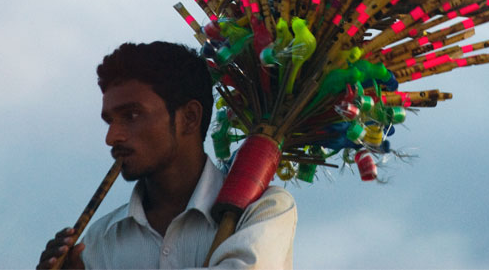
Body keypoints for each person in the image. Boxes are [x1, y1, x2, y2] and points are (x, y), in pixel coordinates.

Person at [37, 41, 297, 269]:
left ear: (189, 118)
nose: (112, 137)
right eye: (110, 121)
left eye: (132, 115)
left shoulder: (265, 210)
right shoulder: (98, 241)